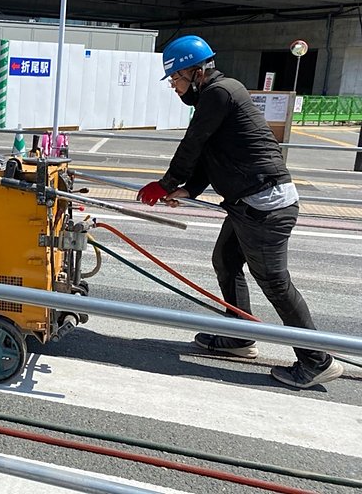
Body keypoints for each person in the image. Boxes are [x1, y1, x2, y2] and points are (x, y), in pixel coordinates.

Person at [136, 35, 343, 389]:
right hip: (248, 203)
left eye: (176, 78)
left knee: (276, 284)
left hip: (264, 204)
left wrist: (166, 183)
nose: (174, 86)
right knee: (227, 262)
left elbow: (193, 143)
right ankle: (237, 337)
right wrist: (186, 189)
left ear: (194, 71)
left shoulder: (220, 93)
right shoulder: (217, 94)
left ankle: (316, 360)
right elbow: (208, 154)